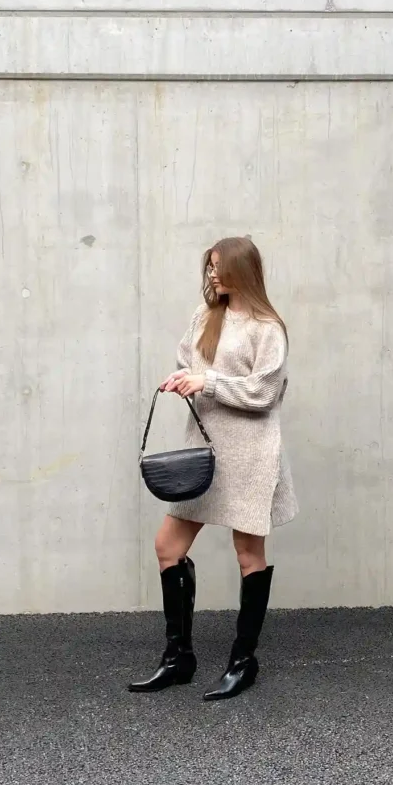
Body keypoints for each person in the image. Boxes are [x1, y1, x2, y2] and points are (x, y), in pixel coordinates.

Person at [129, 236, 298, 701]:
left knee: (248, 554)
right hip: (204, 451)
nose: (212, 275)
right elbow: (190, 362)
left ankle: (243, 662)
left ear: (244, 269)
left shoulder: (267, 327)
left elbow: (264, 393)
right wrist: (183, 378)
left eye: (220, 267)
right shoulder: (206, 316)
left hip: (251, 454)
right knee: (168, 545)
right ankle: (178, 658)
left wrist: (210, 381)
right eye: (209, 267)